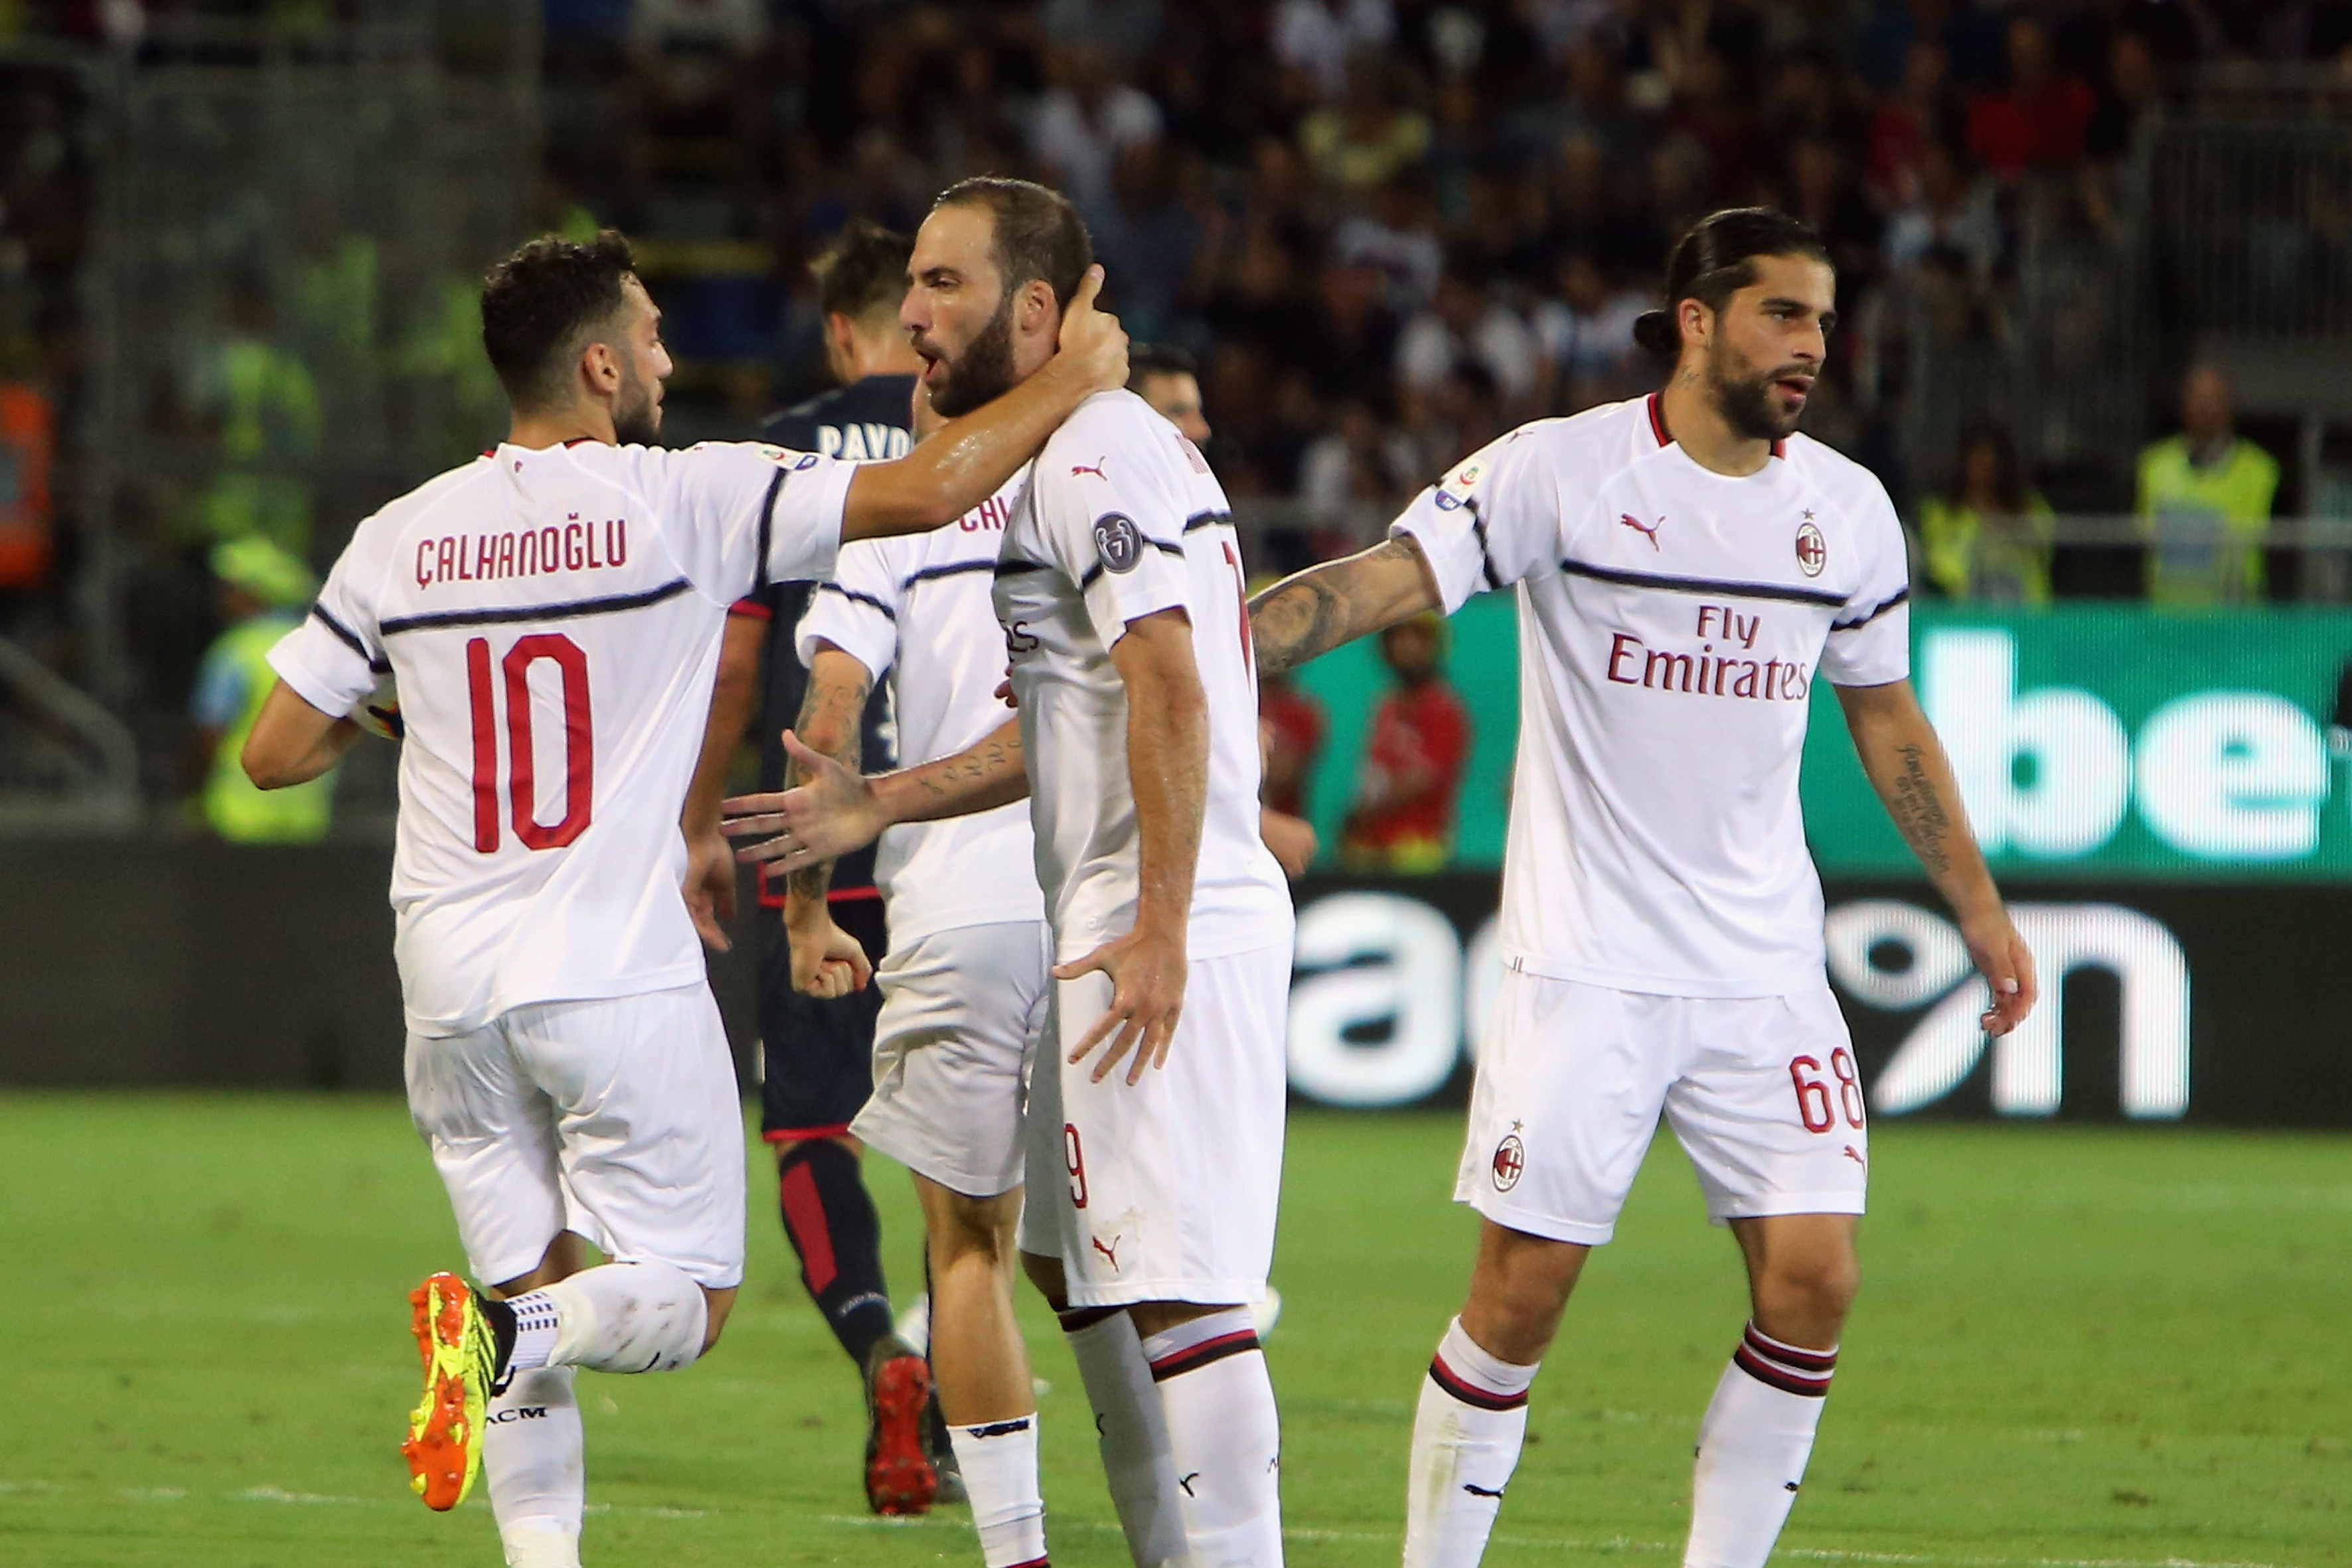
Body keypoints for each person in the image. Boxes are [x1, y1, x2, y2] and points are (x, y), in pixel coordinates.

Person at [236, 228, 1127, 1568]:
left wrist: (419, 712)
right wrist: (1077, 377)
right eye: (650, 336)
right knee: (687, 1300)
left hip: (445, 987)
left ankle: (531, 1488)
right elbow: (933, 489)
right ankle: (506, 1340)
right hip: (607, 969)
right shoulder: (683, 494)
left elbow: (272, 752)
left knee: (527, 1261)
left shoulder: (399, 534)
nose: (667, 357)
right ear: (598, 365)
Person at [1245, 207, 2037, 1568]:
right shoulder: (1559, 471)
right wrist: (1210, 644)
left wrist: (1976, 904)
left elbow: (1889, 722)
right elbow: (1384, 581)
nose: (1811, 347)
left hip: (1763, 967)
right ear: (1696, 319)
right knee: (1521, 1291)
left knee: (1813, 1279)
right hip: (1586, 963)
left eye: (1824, 322)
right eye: (1783, 315)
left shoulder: (1843, 510)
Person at [727, 175, 1296, 1568]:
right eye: (909, 284)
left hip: (1155, 915)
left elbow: (1168, 686)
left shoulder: (1095, 454)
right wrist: (880, 800)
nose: (910, 316)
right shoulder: (1062, 456)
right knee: (1073, 1264)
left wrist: (1157, 925)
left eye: (944, 286)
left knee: (1178, 1294)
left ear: (1037, 312)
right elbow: (1061, 724)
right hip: (1084, 906)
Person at [679, 217, 948, 1515]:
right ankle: (960, 1396)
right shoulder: (993, 443)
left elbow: (738, 664)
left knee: (807, 1127)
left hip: (819, 840)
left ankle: (879, 1350)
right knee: (982, 1162)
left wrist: (697, 824)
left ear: (842, 329)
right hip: (968, 840)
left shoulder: (775, 455)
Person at [190, 536, 337, 843]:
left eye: (231, 588)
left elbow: (210, 732)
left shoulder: (235, 650)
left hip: (238, 817)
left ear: (255, 593)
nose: (223, 597)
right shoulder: (318, 647)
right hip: (307, 818)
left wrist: (193, 788)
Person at [2136, 363, 2279, 607]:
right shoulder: (2154, 465)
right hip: (2168, 623)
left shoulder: (2261, 470)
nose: (2204, 407)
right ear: (2183, 405)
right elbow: (2144, 537)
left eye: (2214, 399)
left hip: (2235, 627)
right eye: (2197, 398)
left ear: (2231, 405)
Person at [1339, 611, 1468, 873]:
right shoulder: (1386, 706)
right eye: (1397, 637)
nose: (1406, 647)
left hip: (1420, 847)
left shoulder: (1444, 709)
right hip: (1372, 845)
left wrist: (1365, 812)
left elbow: (1423, 779)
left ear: (1434, 646)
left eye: (1417, 638)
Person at [1918, 416, 2053, 604]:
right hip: (1965, 616)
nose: (1983, 470)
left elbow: (2042, 554)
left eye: (1990, 462)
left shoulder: (2032, 506)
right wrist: (1976, 531)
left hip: (2026, 615)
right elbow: (1940, 566)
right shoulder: (1938, 511)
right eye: (1976, 461)